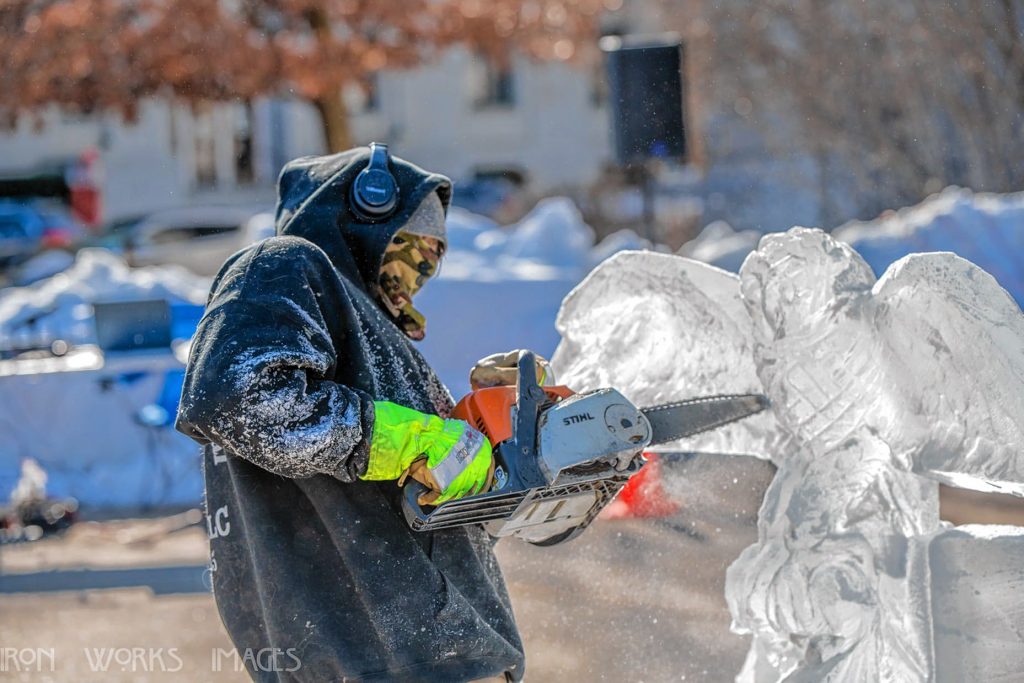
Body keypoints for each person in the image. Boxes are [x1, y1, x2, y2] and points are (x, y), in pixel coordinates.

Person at [176, 145, 525, 682]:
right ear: (368, 210)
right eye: (419, 237)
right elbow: (237, 395)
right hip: (372, 658)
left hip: (441, 654)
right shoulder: (281, 266)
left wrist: (496, 448)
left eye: (439, 247)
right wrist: (397, 440)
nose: (429, 258)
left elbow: (410, 504)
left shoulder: (372, 331)